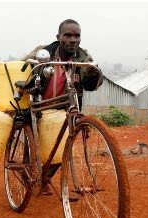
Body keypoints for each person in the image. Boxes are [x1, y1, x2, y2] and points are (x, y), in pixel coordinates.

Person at [24, 19, 103, 194]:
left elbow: (93, 81)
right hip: (39, 104)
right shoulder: (44, 53)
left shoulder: (83, 58)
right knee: (32, 146)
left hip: (63, 109)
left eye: (77, 36)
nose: (73, 39)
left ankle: (45, 178)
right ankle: (27, 175)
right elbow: (22, 67)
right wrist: (32, 67)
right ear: (58, 37)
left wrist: (91, 74)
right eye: (68, 35)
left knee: (61, 147)